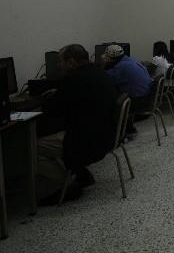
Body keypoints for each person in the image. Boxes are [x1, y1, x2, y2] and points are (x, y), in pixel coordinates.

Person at [38, 44, 117, 205]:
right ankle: (80, 173)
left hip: (88, 142)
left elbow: (52, 108)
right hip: (109, 136)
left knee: (32, 146)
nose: (58, 65)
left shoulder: (73, 79)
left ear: (71, 62)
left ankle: (67, 184)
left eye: (60, 61)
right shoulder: (101, 73)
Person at [103, 44, 153, 137]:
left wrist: (103, 65)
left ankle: (122, 132)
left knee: (108, 100)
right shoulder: (130, 60)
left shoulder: (121, 67)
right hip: (147, 98)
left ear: (111, 59)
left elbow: (104, 78)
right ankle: (127, 127)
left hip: (138, 102)